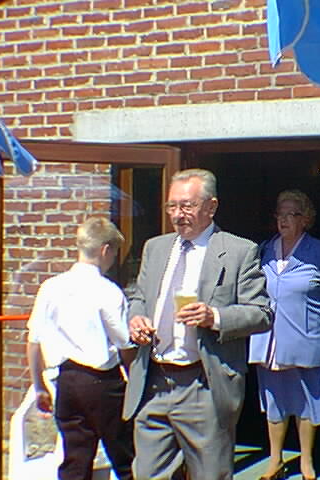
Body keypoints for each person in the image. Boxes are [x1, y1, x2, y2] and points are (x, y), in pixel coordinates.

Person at [124, 168, 273, 480]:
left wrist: (214, 317)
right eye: (172, 206)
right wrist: (135, 317)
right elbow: (139, 296)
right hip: (153, 382)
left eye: (187, 206)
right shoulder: (155, 247)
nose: (178, 215)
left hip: (203, 385)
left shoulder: (238, 251)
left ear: (211, 206)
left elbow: (261, 313)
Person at [26, 216, 134, 480]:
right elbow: (124, 343)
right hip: (102, 382)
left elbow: (34, 341)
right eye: (114, 253)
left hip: (67, 381)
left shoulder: (51, 287)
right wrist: (135, 381)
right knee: (125, 456)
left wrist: (39, 386)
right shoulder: (108, 291)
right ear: (105, 250)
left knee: (75, 459)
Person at [249, 190, 320, 480]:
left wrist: (316, 325)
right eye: (280, 213)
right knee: (274, 401)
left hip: (306, 340)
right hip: (269, 342)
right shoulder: (264, 250)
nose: (284, 219)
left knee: (305, 402)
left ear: (306, 219)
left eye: (292, 214)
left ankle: (306, 461)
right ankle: (275, 460)